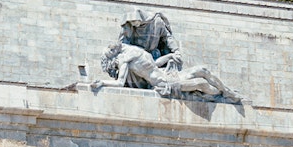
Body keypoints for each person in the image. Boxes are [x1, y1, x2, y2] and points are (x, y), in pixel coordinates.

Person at [96, 41, 242, 103]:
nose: (111, 47)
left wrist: (169, 56)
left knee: (202, 70)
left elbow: (153, 64)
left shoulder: (132, 49)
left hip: (167, 73)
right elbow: (120, 83)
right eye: (109, 50)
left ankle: (227, 92)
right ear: (113, 55)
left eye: (110, 47)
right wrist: (102, 82)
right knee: (201, 84)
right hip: (164, 83)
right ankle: (220, 96)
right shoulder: (124, 60)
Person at [117, 8, 182, 72]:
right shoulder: (130, 25)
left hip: (154, 56)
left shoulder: (157, 22)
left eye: (134, 21)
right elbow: (123, 43)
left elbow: (167, 37)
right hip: (137, 57)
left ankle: (170, 57)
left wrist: (176, 50)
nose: (133, 24)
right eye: (131, 21)